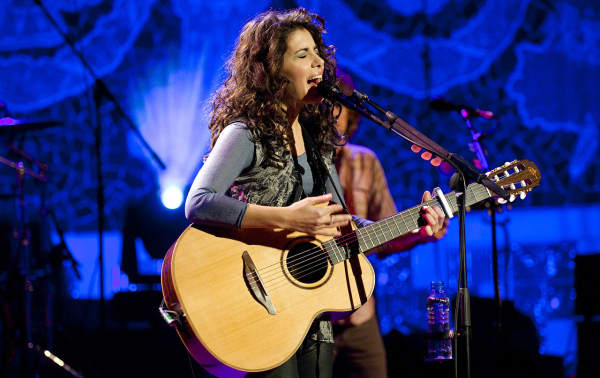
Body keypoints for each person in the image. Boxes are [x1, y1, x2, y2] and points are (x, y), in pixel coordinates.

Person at [184, 8, 445, 378]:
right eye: (302, 54)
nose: (318, 62)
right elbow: (198, 202)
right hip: (258, 308)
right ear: (272, 69)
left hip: (307, 314)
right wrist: (288, 218)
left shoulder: (318, 144)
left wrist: (412, 226)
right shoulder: (245, 133)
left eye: (318, 53)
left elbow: (341, 223)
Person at [331, 70, 449, 378]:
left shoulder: (365, 161)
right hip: (306, 318)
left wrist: (421, 233)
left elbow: (385, 235)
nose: (330, 115)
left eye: (337, 106)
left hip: (359, 312)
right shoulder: (295, 162)